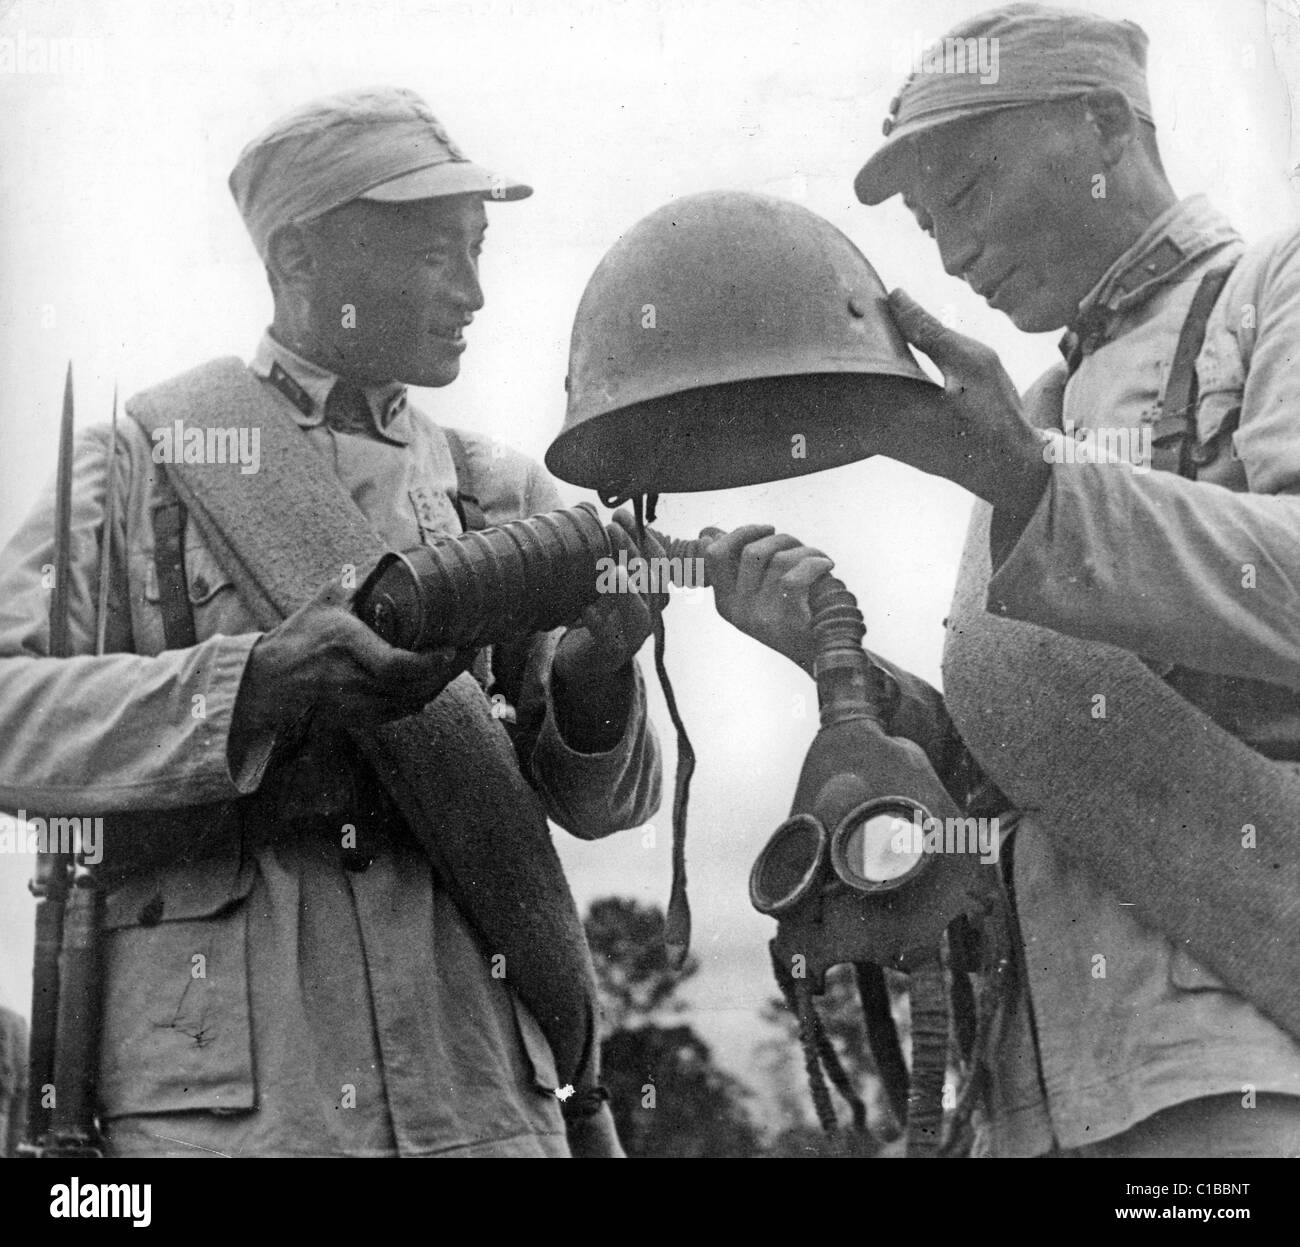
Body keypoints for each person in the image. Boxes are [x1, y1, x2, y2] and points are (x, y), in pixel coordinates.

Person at [0, 86, 662, 1158]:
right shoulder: (145, 462)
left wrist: (596, 674)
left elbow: (608, 804)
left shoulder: (495, 490)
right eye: (435, 253)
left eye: (480, 249)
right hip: (233, 1095)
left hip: (478, 1075)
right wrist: (251, 684)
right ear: (300, 257)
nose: (474, 291)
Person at [708, 3, 1300, 1157]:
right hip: (1034, 1071)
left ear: (1103, 125)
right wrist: (835, 662)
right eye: (930, 226)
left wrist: (1039, 487)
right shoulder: (1029, 409)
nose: (953, 255)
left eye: (968, 194)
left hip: (1236, 1034)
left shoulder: (1269, 288)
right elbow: (1024, 756)